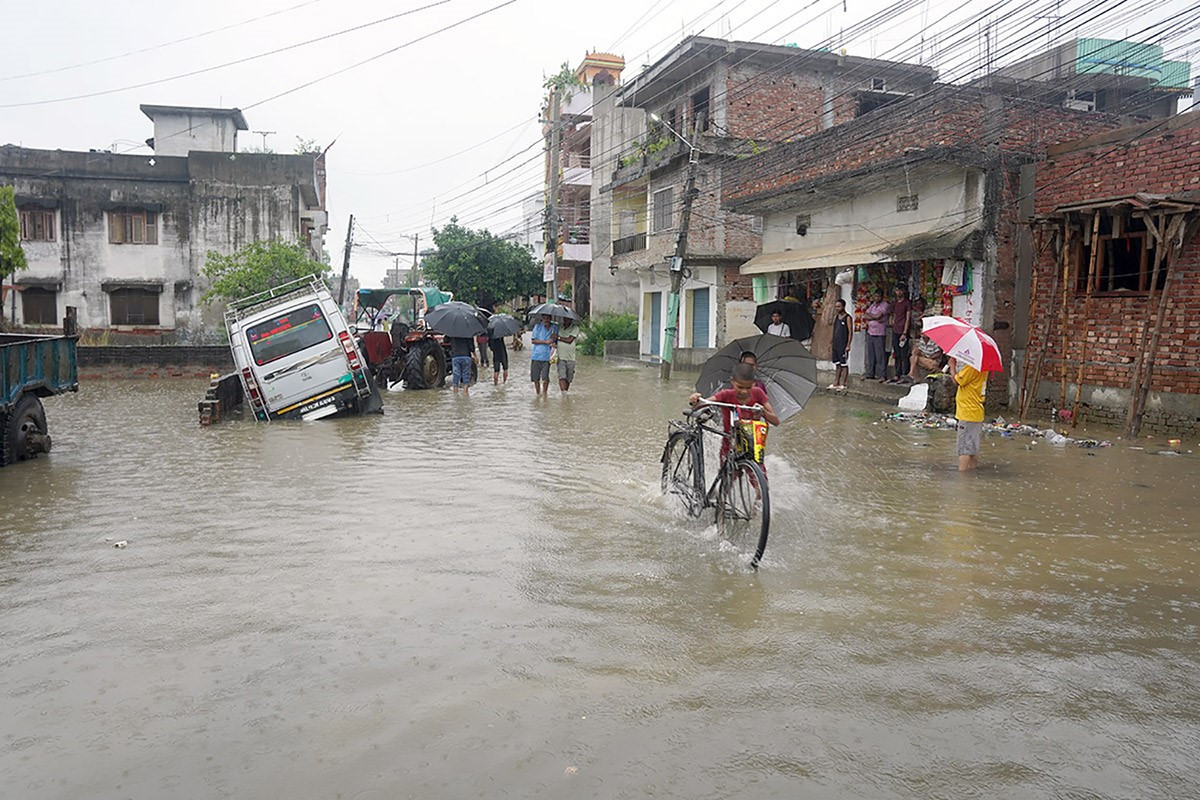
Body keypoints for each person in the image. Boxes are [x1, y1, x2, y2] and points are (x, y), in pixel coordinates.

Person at [689, 362, 781, 467]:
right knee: (728, 477)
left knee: (758, 478)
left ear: (754, 383)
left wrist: (763, 412)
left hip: (753, 445)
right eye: (740, 387)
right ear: (732, 381)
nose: (744, 391)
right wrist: (695, 400)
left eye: (748, 387)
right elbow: (703, 404)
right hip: (729, 445)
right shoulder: (726, 395)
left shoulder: (758, 393)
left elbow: (776, 421)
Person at [950, 356, 988, 471]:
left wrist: (952, 365)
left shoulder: (972, 367)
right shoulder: (983, 368)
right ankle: (971, 474)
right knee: (972, 449)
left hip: (967, 412)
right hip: (976, 412)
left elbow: (956, 380)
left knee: (964, 450)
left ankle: (962, 478)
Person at [886, 285, 911, 383]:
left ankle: (904, 375)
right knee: (896, 353)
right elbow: (893, 314)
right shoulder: (895, 303)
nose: (898, 292)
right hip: (895, 330)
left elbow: (908, 318)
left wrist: (904, 332)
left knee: (904, 354)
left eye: (900, 290)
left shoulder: (907, 303)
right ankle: (897, 374)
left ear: (904, 291)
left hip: (903, 331)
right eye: (897, 290)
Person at [863, 288, 890, 381]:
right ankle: (870, 373)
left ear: (881, 297)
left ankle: (883, 375)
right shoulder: (873, 305)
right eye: (875, 296)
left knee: (880, 355)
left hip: (880, 333)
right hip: (870, 332)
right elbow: (865, 315)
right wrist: (874, 318)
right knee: (871, 354)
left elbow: (878, 316)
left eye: (878, 296)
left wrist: (872, 316)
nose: (876, 298)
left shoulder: (885, 305)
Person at [530, 314, 558, 397]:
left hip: (547, 356)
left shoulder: (555, 327)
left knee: (545, 377)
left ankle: (545, 393)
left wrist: (554, 342)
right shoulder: (538, 327)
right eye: (544, 318)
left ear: (551, 318)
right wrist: (545, 342)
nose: (546, 320)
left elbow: (556, 340)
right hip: (536, 355)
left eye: (548, 318)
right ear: (542, 319)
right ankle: (538, 393)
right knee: (535, 377)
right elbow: (533, 340)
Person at [829, 298, 851, 390]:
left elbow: (850, 332)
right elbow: (834, 331)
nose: (837, 308)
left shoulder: (848, 318)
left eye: (839, 307)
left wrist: (848, 345)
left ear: (843, 306)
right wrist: (831, 343)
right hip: (836, 345)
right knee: (837, 364)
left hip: (843, 345)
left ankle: (844, 383)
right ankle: (836, 382)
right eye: (836, 307)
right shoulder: (836, 317)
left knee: (844, 364)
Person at [556, 317, 579, 392]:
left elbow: (570, 340)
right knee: (562, 376)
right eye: (565, 319)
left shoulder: (575, 328)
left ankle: (565, 391)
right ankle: (564, 394)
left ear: (571, 320)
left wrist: (558, 338)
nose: (565, 320)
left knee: (569, 378)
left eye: (568, 319)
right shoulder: (559, 327)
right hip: (560, 356)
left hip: (571, 357)